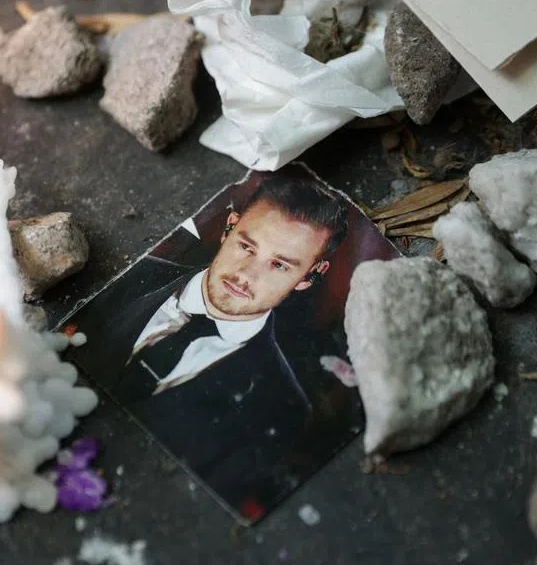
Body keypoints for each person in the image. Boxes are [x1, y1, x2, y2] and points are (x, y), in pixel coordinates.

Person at [70, 174, 360, 520]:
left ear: (311, 274)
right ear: (230, 227)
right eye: (246, 247)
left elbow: (180, 514)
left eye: (279, 265)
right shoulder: (129, 273)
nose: (245, 275)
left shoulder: (282, 409)